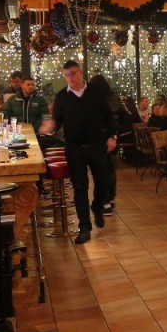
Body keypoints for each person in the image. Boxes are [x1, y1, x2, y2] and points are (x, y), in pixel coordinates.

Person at [41, 60, 117, 244]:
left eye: (73, 73)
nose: (70, 78)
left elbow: (109, 115)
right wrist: (51, 126)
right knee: (80, 187)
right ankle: (84, 227)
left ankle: (97, 206)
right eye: (67, 75)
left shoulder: (95, 92)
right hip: (74, 147)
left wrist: (112, 136)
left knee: (103, 182)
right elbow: (57, 120)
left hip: (96, 144)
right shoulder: (62, 96)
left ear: (81, 73)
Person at [89, 74, 122, 215]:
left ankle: (105, 202)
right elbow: (125, 116)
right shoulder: (114, 97)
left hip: (99, 138)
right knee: (110, 169)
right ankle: (111, 199)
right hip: (113, 137)